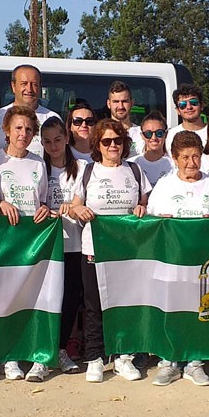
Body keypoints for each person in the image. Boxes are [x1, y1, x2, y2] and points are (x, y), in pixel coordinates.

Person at [69, 119, 152, 383]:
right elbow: (74, 206)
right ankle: (95, 357)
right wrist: (78, 210)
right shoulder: (88, 171)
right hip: (94, 247)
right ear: (98, 144)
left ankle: (122, 357)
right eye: (106, 141)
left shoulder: (135, 170)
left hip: (128, 251)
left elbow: (145, 203)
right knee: (94, 305)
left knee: (124, 304)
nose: (113, 145)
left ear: (125, 143)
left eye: (117, 140)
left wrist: (143, 210)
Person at [147, 130, 209, 386]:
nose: (191, 163)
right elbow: (151, 223)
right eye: (184, 157)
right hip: (171, 263)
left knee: (198, 311)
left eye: (195, 156)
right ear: (174, 158)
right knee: (171, 310)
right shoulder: (164, 185)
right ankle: (168, 361)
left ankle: (195, 361)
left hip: (202, 265)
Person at [0, 106, 50, 383]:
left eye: (29, 129)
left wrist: (44, 209)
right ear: (6, 131)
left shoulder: (38, 163)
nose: (23, 134)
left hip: (28, 244)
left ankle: (11, 357)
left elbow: (43, 200)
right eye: (18, 128)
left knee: (19, 300)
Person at [40, 117, 86, 375]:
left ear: (67, 138)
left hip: (75, 244)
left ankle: (60, 349)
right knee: (47, 299)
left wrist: (75, 207)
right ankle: (42, 350)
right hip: (47, 246)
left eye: (58, 139)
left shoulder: (81, 167)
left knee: (70, 300)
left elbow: (82, 199)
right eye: (47, 141)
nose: (53, 145)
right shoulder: (39, 167)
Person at [0, 64, 60, 157]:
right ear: (13, 86)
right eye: (24, 84)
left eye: (34, 84)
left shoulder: (52, 118)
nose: (29, 89)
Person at [129, 111, 174, 186]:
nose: (154, 138)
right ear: (142, 136)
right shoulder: (132, 165)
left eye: (159, 133)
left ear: (166, 134)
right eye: (148, 134)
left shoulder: (174, 164)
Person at [165, 84, 207, 152]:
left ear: (202, 105)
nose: (189, 107)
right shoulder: (169, 136)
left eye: (194, 102)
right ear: (178, 110)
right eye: (183, 105)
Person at [107, 81, 145, 155]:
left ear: (132, 103)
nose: (120, 106)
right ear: (108, 104)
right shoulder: (101, 133)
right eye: (116, 102)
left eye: (125, 101)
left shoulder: (142, 134)